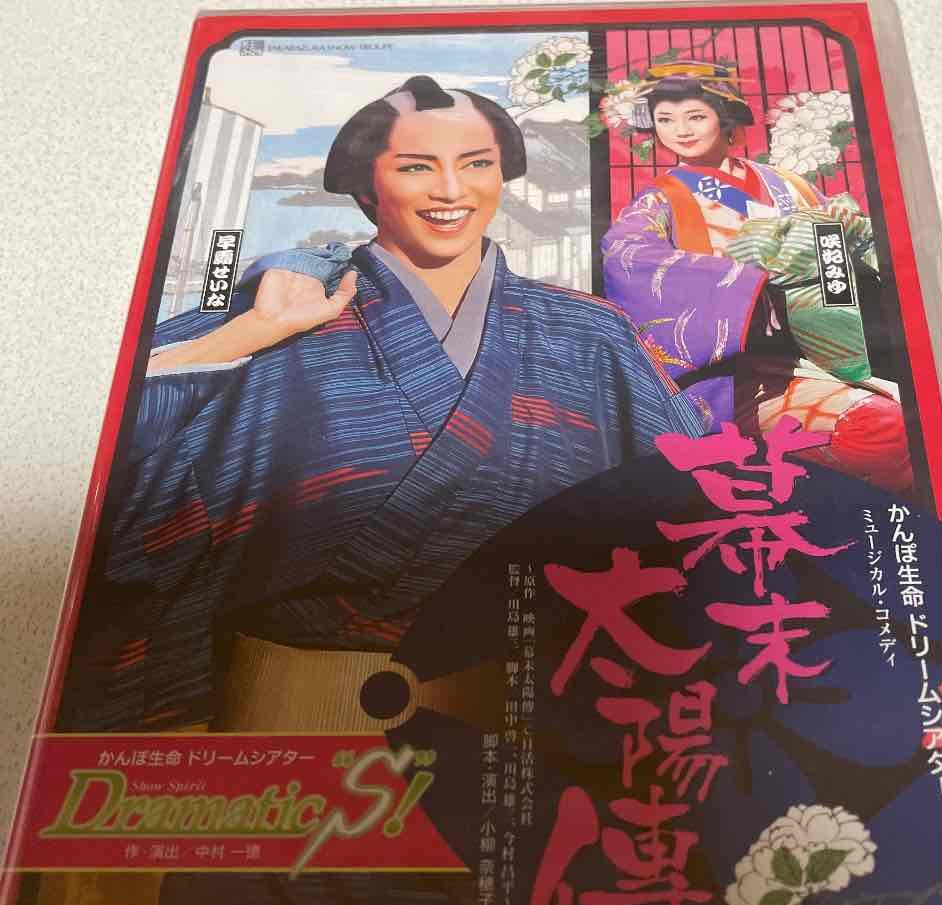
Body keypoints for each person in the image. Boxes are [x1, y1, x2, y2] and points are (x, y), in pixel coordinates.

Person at [60, 75, 702, 733]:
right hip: (288, 717)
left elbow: (694, 497)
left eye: (476, 164)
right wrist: (244, 335)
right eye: (416, 167)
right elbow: (100, 463)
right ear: (367, 187)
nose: (451, 190)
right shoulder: (284, 319)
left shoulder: (589, 333)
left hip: (527, 720)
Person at [600, 62, 912, 492]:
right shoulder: (660, 200)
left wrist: (847, 228)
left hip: (828, 346)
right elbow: (626, 255)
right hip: (739, 376)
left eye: (695, 116)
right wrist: (747, 288)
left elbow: (844, 242)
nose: (681, 130)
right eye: (665, 120)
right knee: (881, 428)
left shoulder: (787, 184)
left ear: (725, 118)